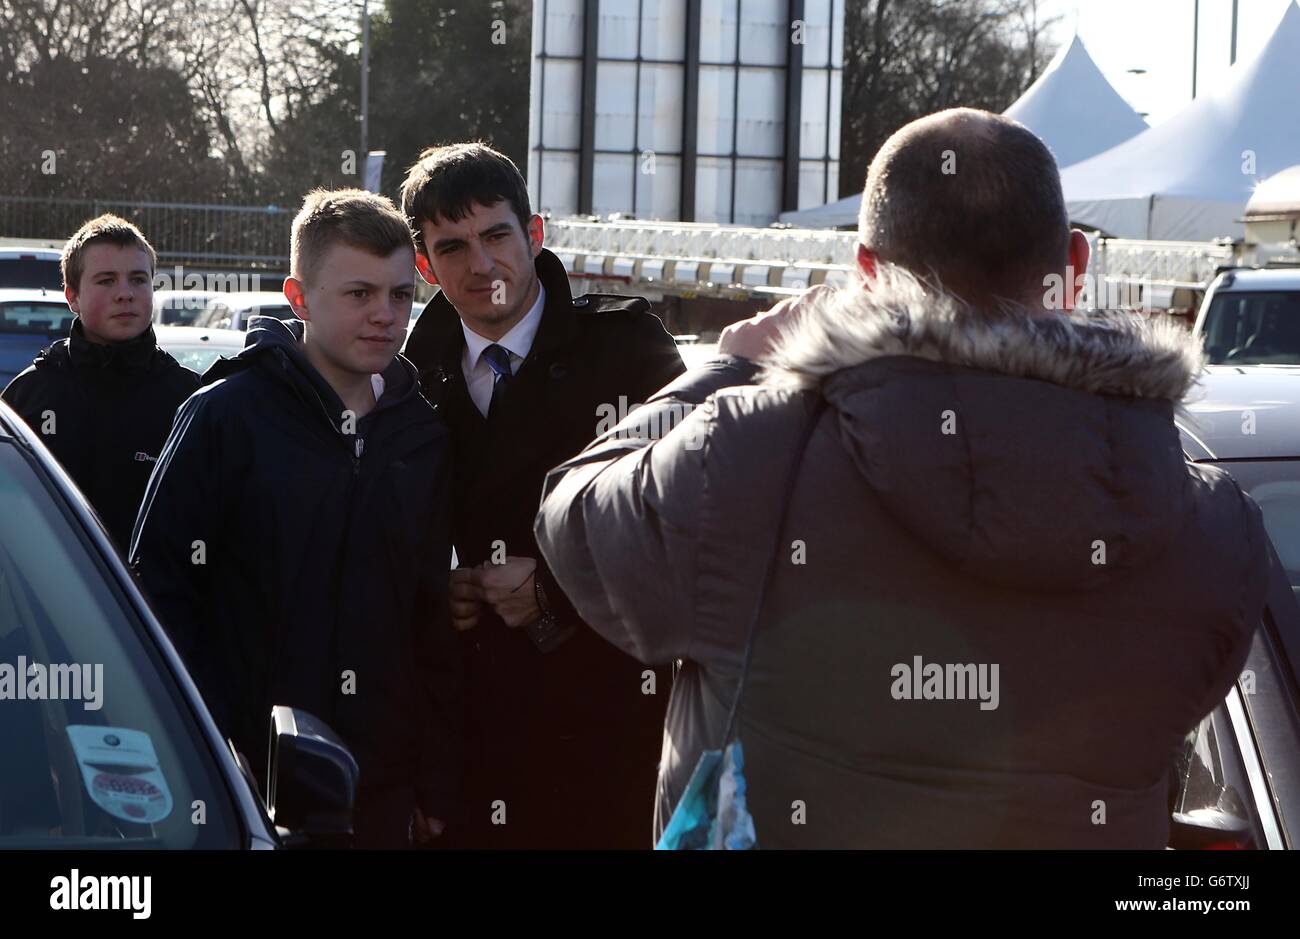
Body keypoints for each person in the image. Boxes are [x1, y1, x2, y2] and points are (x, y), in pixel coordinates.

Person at [534, 108, 1270, 848]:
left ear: (866, 274)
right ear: (1074, 267)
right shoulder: (1211, 524)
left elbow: (574, 520)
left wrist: (728, 368)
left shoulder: (745, 458)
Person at [130, 189, 460, 848]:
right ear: (300, 295)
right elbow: (157, 598)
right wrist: (208, 749)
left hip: (379, 796)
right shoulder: (224, 416)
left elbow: (431, 620)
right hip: (242, 788)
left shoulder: (422, 436)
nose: (385, 315)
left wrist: (434, 776)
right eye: (359, 293)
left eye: (400, 295)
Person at [400, 142, 686, 848]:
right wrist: (438, 586)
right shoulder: (405, 377)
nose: (481, 264)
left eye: (497, 235)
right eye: (453, 246)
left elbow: (694, 523)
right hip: (463, 746)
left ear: (534, 233)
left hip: (607, 729)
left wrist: (556, 591)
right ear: (424, 265)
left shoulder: (628, 352)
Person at [2, 215, 198, 550]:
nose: (125, 294)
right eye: (106, 280)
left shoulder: (190, 400)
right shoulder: (29, 397)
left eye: (138, 279)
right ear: (72, 296)